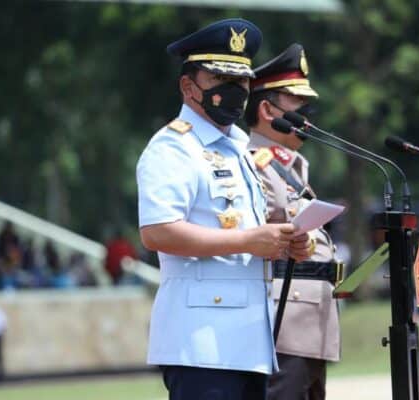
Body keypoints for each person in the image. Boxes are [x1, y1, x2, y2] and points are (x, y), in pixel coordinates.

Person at [136, 19, 312, 400]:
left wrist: (283, 243)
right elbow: (157, 232)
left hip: (250, 342)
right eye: (222, 81)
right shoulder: (172, 148)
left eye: (242, 82)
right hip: (202, 344)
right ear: (188, 87)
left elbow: (245, 230)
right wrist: (250, 240)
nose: (236, 92)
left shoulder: (237, 147)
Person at [244, 43, 342, 400]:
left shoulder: (291, 166)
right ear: (268, 110)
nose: (308, 119)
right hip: (282, 322)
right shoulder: (253, 163)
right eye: (299, 107)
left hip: (310, 322)